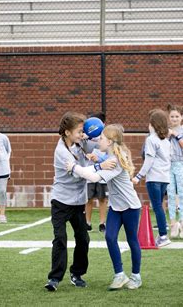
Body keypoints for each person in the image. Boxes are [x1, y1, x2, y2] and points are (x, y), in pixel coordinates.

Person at [45, 112, 115, 292]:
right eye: (78, 131)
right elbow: (79, 172)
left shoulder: (81, 142)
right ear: (67, 133)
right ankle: (54, 278)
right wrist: (100, 165)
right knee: (60, 239)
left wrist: (93, 135)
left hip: (78, 202)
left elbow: (103, 145)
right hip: (61, 201)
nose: (81, 134)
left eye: (82, 131)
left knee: (83, 239)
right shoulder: (61, 151)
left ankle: (77, 274)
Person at [67, 124, 142, 290]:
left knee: (132, 240)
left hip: (130, 206)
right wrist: (99, 160)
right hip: (116, 206)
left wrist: (74, 167)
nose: (98, 140)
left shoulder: (115, 160)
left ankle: (136, 276)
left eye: (101, 138)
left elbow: (94, 177)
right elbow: (104, 161)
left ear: (109, 142)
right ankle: (119, 275)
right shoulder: (110, 156)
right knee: (109, 237)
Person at [132, 109, 171, 247]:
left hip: (154, 178)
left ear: (153, 124)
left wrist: (138, 176)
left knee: (157, 207)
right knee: (159, 206)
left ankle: (163, 235)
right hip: (164, 178)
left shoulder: (150, 140)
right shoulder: (166, 141)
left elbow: (148, 161)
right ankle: (163, 234)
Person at [166, 104, 183, 239]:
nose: (174, 119)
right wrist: (167, 135)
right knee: (170, 195)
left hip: (181, 164)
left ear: (182, 117)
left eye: (177, 116)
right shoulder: (165, 130)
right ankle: (173, 223)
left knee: (181, 195)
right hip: (167, 166)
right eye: (172, 116)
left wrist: (176, 136)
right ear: (168, 117)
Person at [85, 112, 109, 233]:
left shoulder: (106, 138)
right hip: (89, 173)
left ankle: (102, 223)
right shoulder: (86, 138)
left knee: (102, 198)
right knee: (88, 199)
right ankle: (87, 222)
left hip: (102, 173)